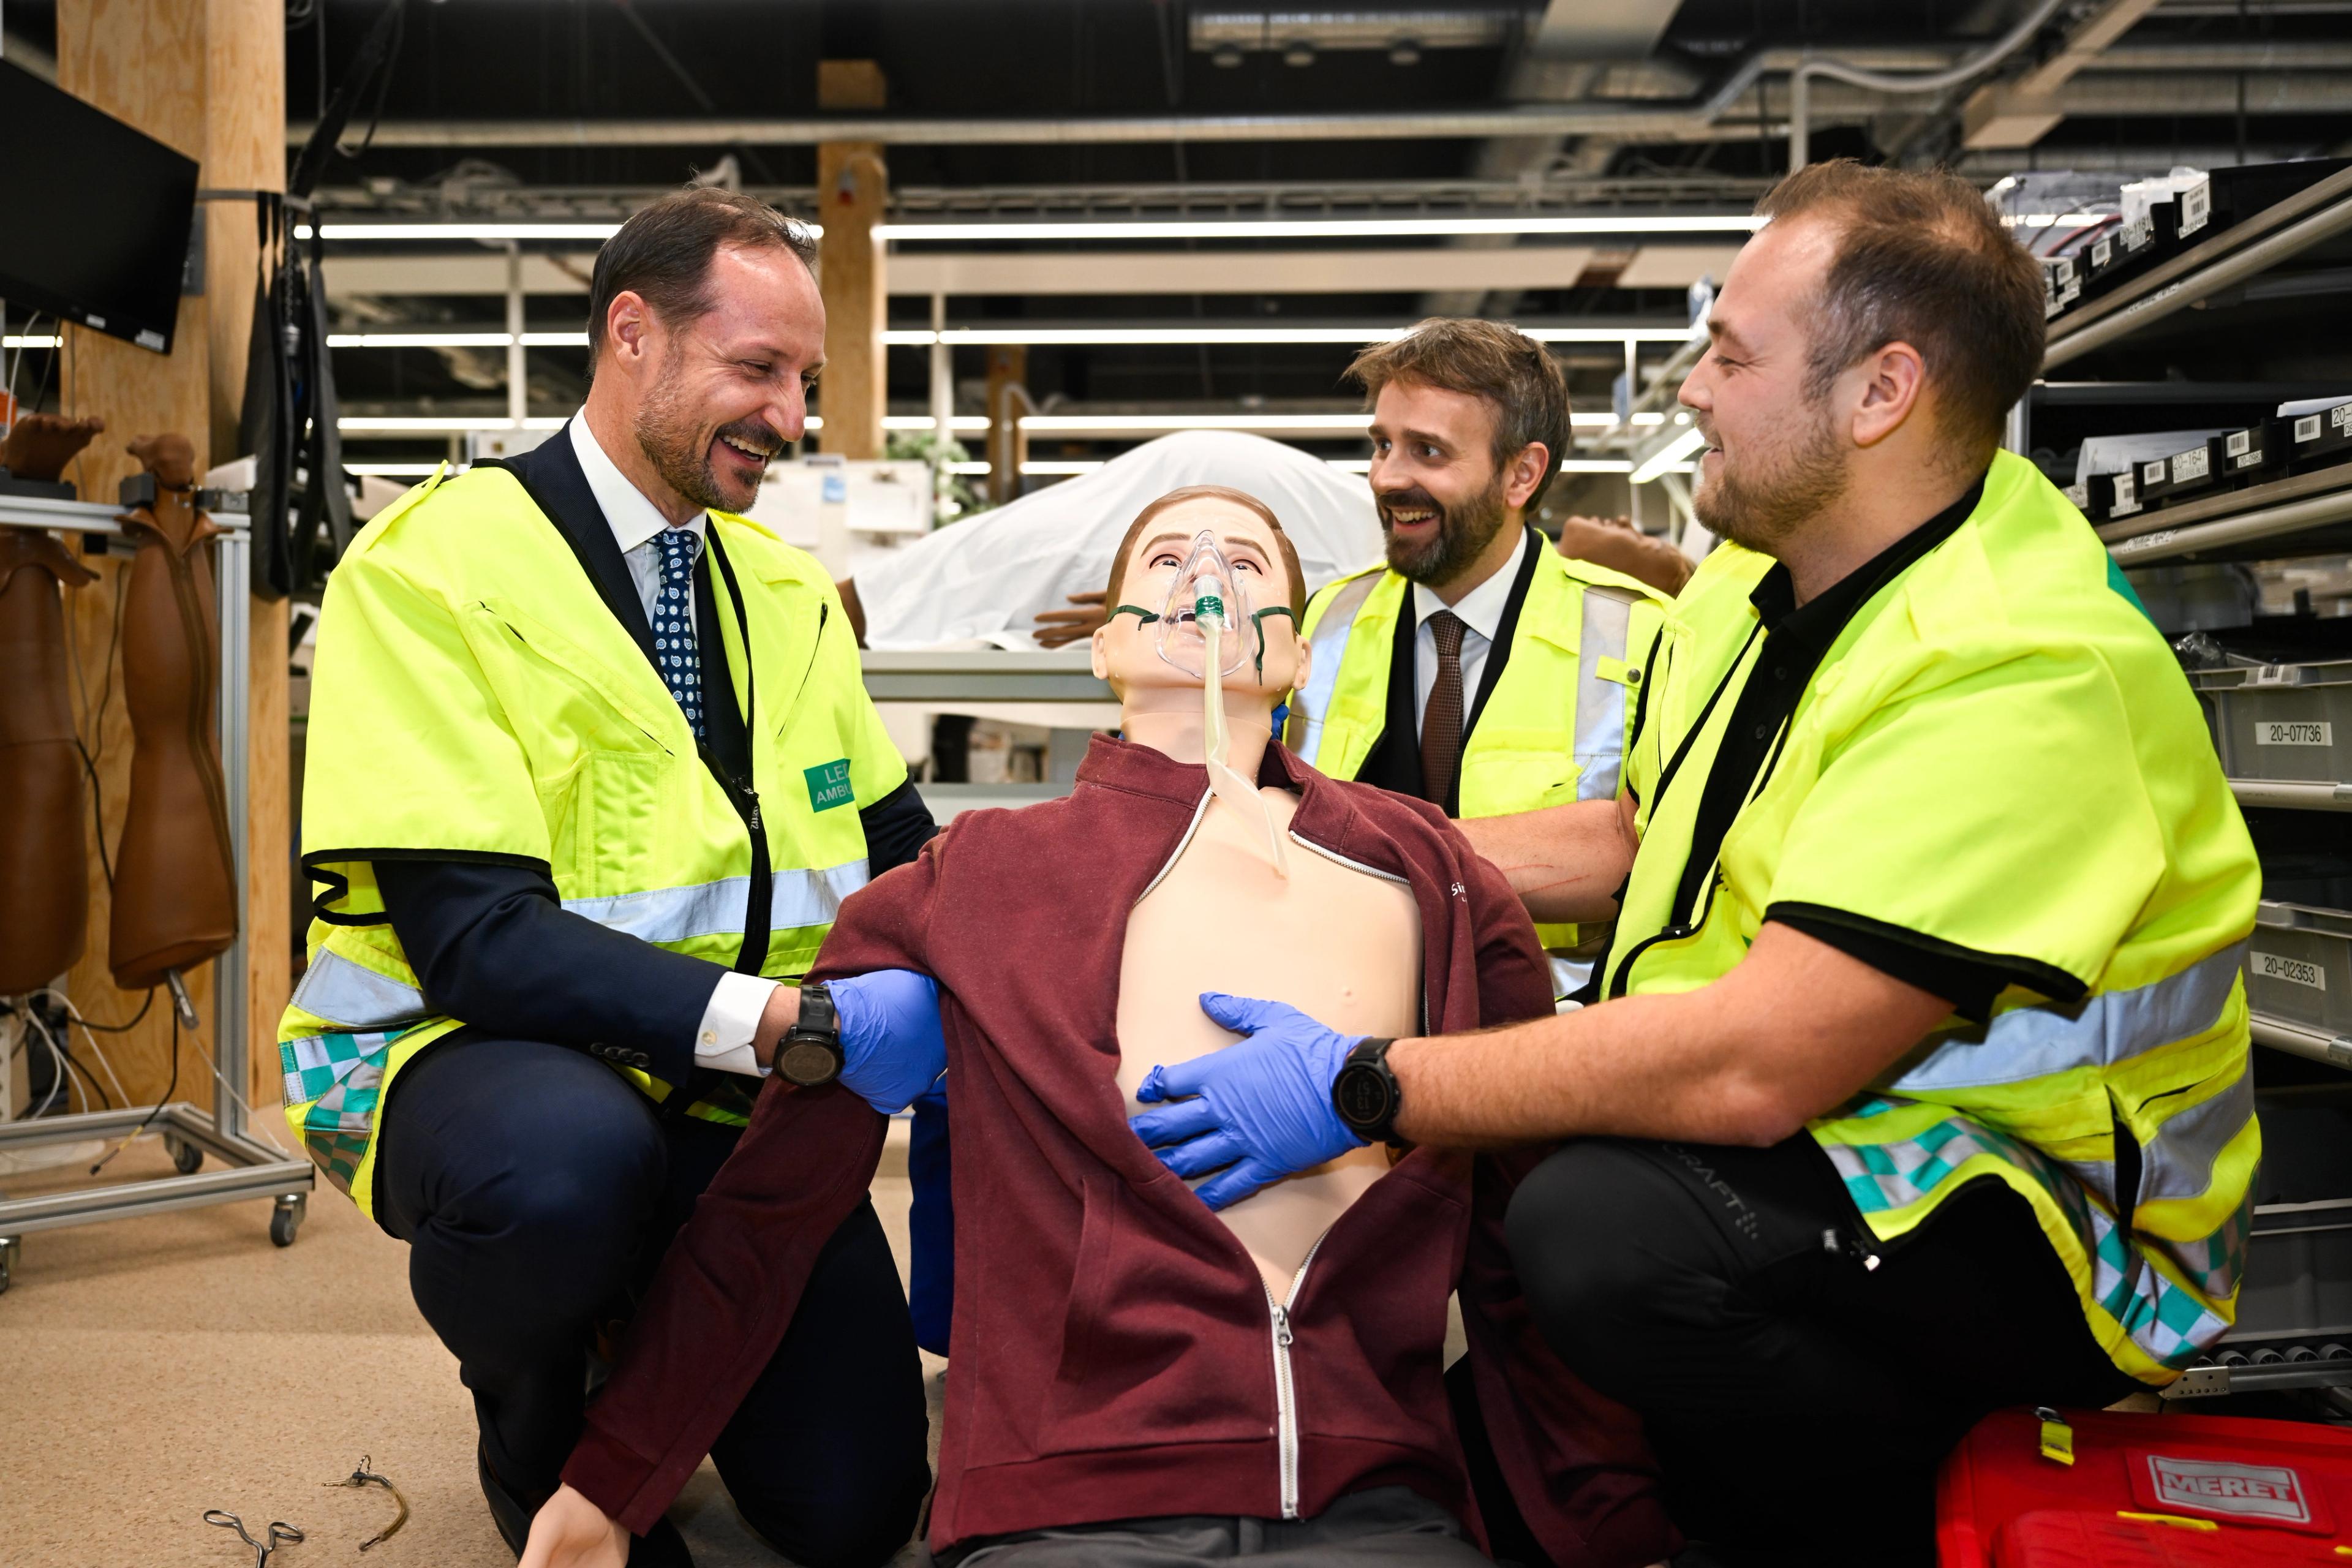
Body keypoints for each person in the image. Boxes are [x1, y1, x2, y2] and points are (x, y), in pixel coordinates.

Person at [1129, 161, 2263, 1566]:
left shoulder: (2019, 667)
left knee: (1605, 1233)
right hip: (1830, 1137)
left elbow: (1750, 1063)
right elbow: (1637, 839)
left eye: (1730, 354)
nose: (1689, 389)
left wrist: (1362, 1080)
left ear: (1877, 391)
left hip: (2041, 1218)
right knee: (1524, 1309)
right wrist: (1320, 853)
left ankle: (1871, 1516)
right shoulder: (1755, 574)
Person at [518, 487, 1673, 1568]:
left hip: (1376, 1494)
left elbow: (1528, 1191)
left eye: (1249, 560)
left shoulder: (1428, 866)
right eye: (1167, 560)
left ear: (1297, 654)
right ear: (1104, 648)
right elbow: (772, 1206)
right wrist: (614, 1480)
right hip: (1068, 1499)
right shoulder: (973, 878)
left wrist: (1605, 1504)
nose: (1208, 573)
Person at [279, 187, 940, 1567]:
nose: (791, 415)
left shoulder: (783, 589)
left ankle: (650, 1305)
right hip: (466, 1054)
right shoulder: (433, 567)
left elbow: (898, 842)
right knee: (572, 1174)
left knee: (856, 1505)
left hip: (717, 1080)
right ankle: (531, 1413)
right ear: (630, 334)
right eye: (756, 368)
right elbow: (475, 941)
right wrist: (785, 1024)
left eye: (805, 379)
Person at [1284, 320, 1671, 1000]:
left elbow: (1660, 864)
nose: (1386, 477)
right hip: (1344, 1010)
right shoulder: (1328, 617)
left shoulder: (1639, 633)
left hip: (1553, 1031)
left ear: (1522, 473)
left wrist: (1385, 853)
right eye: (1382, 445)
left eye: (1427, 452)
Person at [833, 428, 1386, 649]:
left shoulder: (1369, 557)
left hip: (1196, 488)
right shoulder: (1056, 548)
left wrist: (1170, 606)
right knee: (995, 564)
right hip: (1174, 490)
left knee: (992, 568)